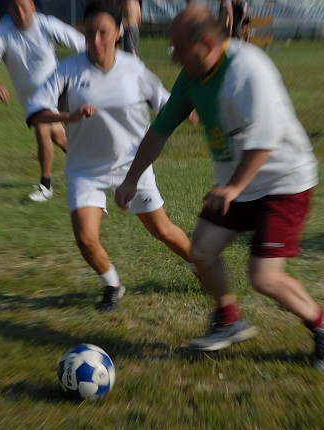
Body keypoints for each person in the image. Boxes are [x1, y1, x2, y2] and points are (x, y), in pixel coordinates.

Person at [115, 6, 324, 373]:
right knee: (202, 251)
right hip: (237, 184)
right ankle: (228, 319)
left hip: (283, 181)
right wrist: (132, 177)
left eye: (179, 48)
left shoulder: (246, 70)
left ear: (208, 44)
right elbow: (159, 131)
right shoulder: (191, 77)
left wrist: (233, 187)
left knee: (264, 277)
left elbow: (264, 142)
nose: (174, 57)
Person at [25, 0, 194, 312]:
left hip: (133, 165)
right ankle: (113, 285)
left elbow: (165, 101)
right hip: (86, 169)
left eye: (103, 32)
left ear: (119, 32)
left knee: (163, 231)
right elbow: (35, 111)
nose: (95, 41)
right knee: (86, 239)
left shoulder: (134, 69)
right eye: (90, 33)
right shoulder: (68, 69)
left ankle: (201, 264)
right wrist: (67, 116)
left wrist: (192, 112)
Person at [0, 0, 86, 202]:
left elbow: (82, 43)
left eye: (23, 6)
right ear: (9, 10)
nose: (20, 13)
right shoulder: (2, 30)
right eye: (14, 8)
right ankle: (92, 168)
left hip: (57, 89)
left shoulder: (46, 24)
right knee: (59, 137)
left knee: (43, 129)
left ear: (32, 7)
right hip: (29, 98)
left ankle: (45, 186)